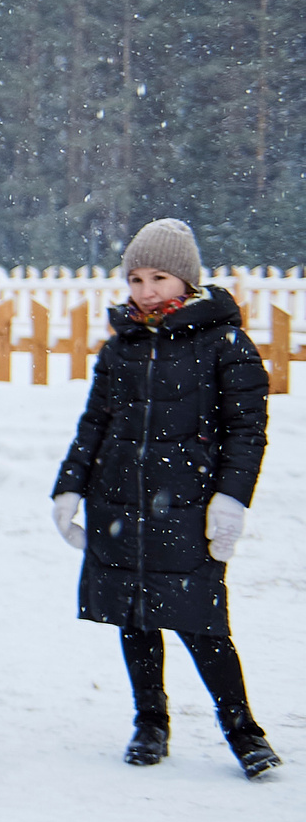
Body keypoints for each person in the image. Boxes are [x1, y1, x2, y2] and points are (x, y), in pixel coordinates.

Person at [53, 219, 278, 779]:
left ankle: (243, 730)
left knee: (202, 622)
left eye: (159, 278)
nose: (146, 291)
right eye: (136, 279)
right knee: (134, 615)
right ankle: (150, 721)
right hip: (119, 502)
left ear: (186, 280)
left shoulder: (225, 344)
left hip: (189, 507)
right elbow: (95, 423)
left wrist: (231, 498)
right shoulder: (121, 346)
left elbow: (247, 431)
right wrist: (70, 486)